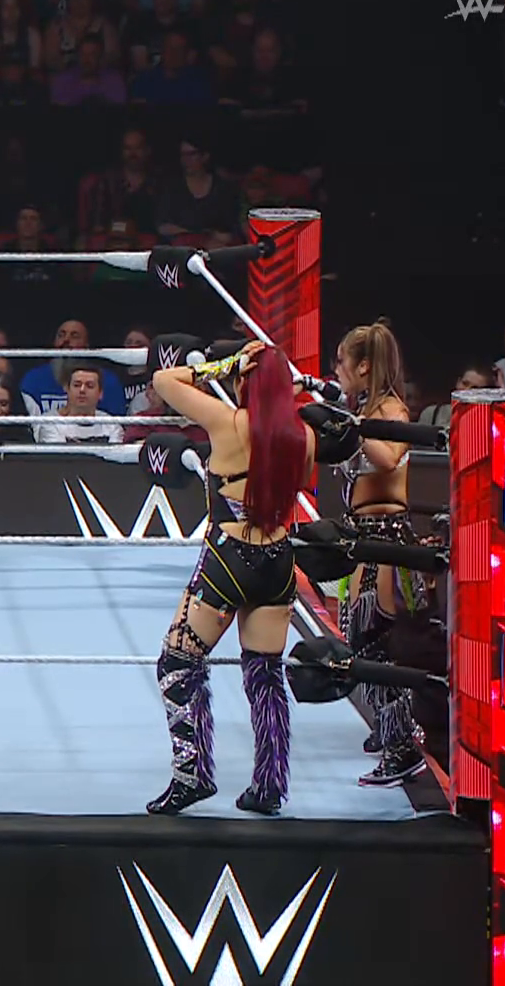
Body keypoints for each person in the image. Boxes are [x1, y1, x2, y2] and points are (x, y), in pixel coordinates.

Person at [146, 341, 314, 816]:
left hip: (229, 560)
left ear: (245, 379)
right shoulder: (304, 437)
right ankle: (269, 785)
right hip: (278, 561)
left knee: (177, 662)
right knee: (265, 674)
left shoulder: (227, 422)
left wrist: (223, 365)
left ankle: (191, 774)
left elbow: (163, 380)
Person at [329, 321, 427, 787]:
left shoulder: (392, 410)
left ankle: (403, 747)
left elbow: (388, 459)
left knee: (374, 643)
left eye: (342, 362)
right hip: (362, 536)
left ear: (364, 366)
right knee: (359, 638)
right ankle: (392, 728)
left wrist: (353, 427)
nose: (337, 370)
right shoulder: (366, 409)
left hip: (385, 538)